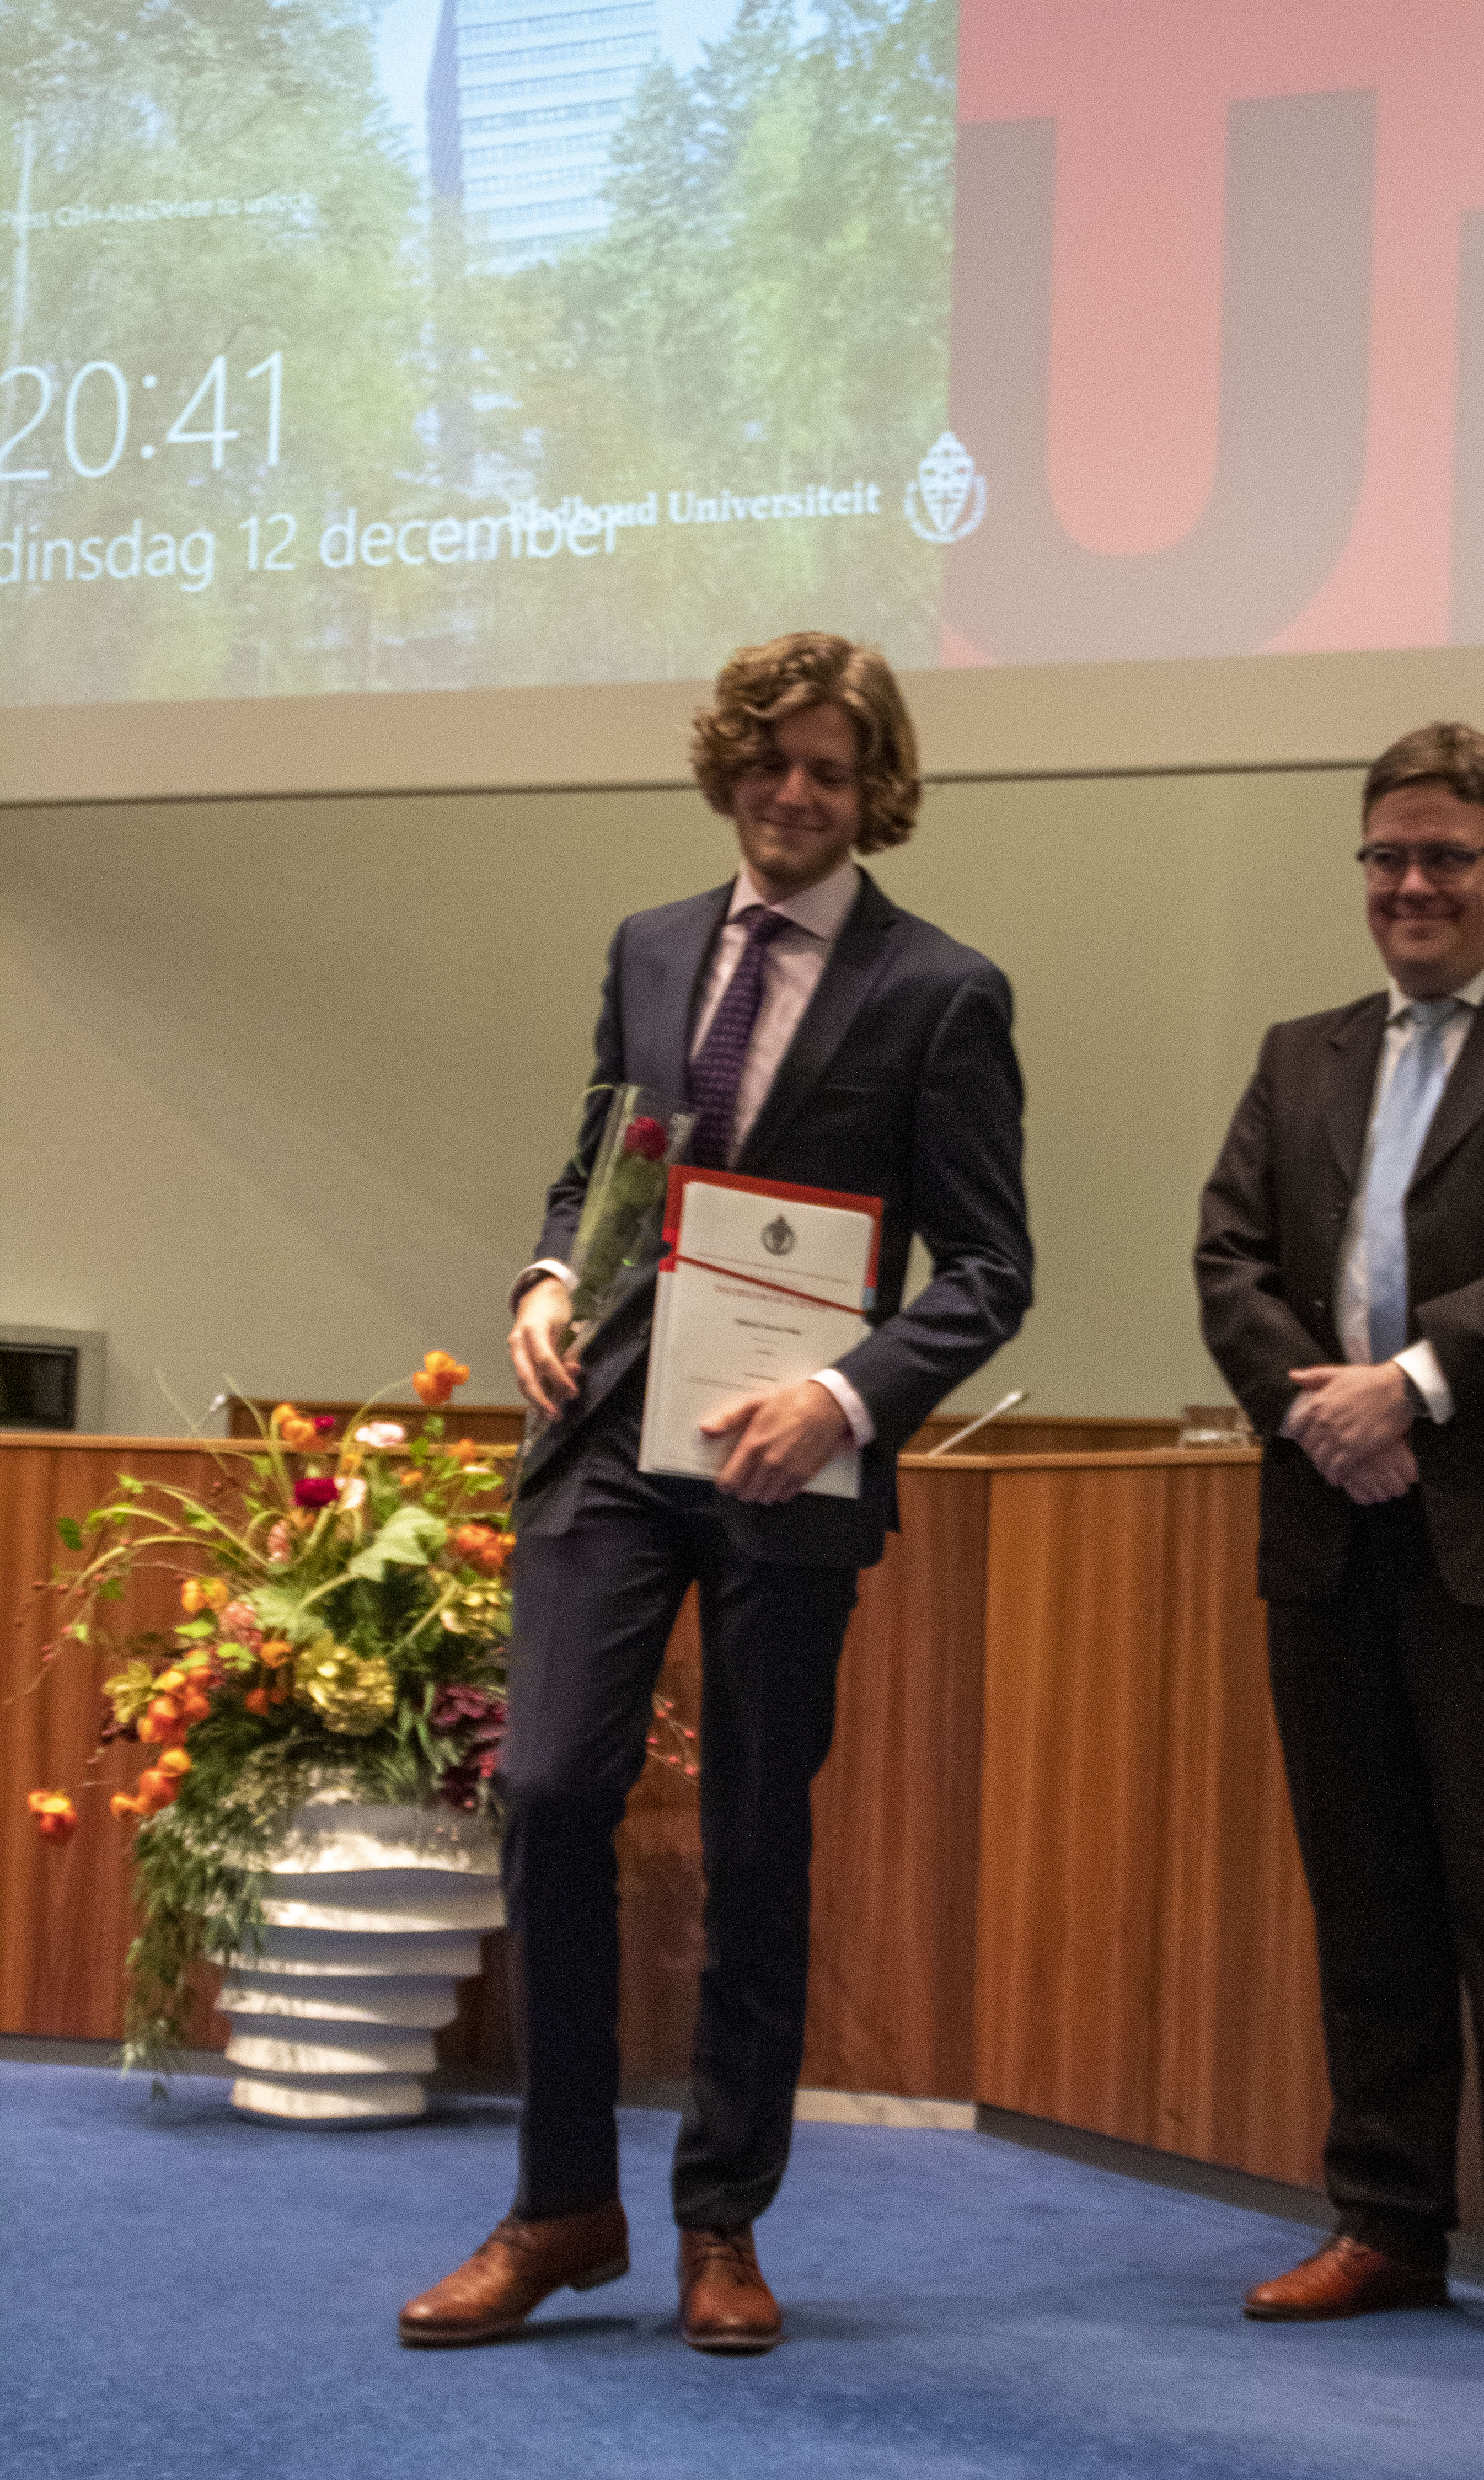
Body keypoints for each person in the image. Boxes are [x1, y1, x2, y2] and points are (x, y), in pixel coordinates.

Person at [399, 632, 1032, 2352]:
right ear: (729, 767)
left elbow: (991, 1269)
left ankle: (720, 2222)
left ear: (873, 790)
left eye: (830, 767)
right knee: (547, 1788)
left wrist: (841, 1396)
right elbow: (602, 1162)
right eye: (771, 760)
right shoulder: (653, 946)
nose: (794, 792)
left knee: (757, 1837)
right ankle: (560, 2206)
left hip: (789, 1464)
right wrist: (551, 1275)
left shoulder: (943, 991)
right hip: (609, 1430)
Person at [1195, 721, 1484, 2379]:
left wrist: (1414, 1386)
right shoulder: (1299, 1053)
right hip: (1331, 1533)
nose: (1412, 885)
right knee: (1369, 1898)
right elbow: (1230, 1261)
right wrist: (1323, 1414)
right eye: (1387, 856)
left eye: (1446, 856)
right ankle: (1387, 2222)